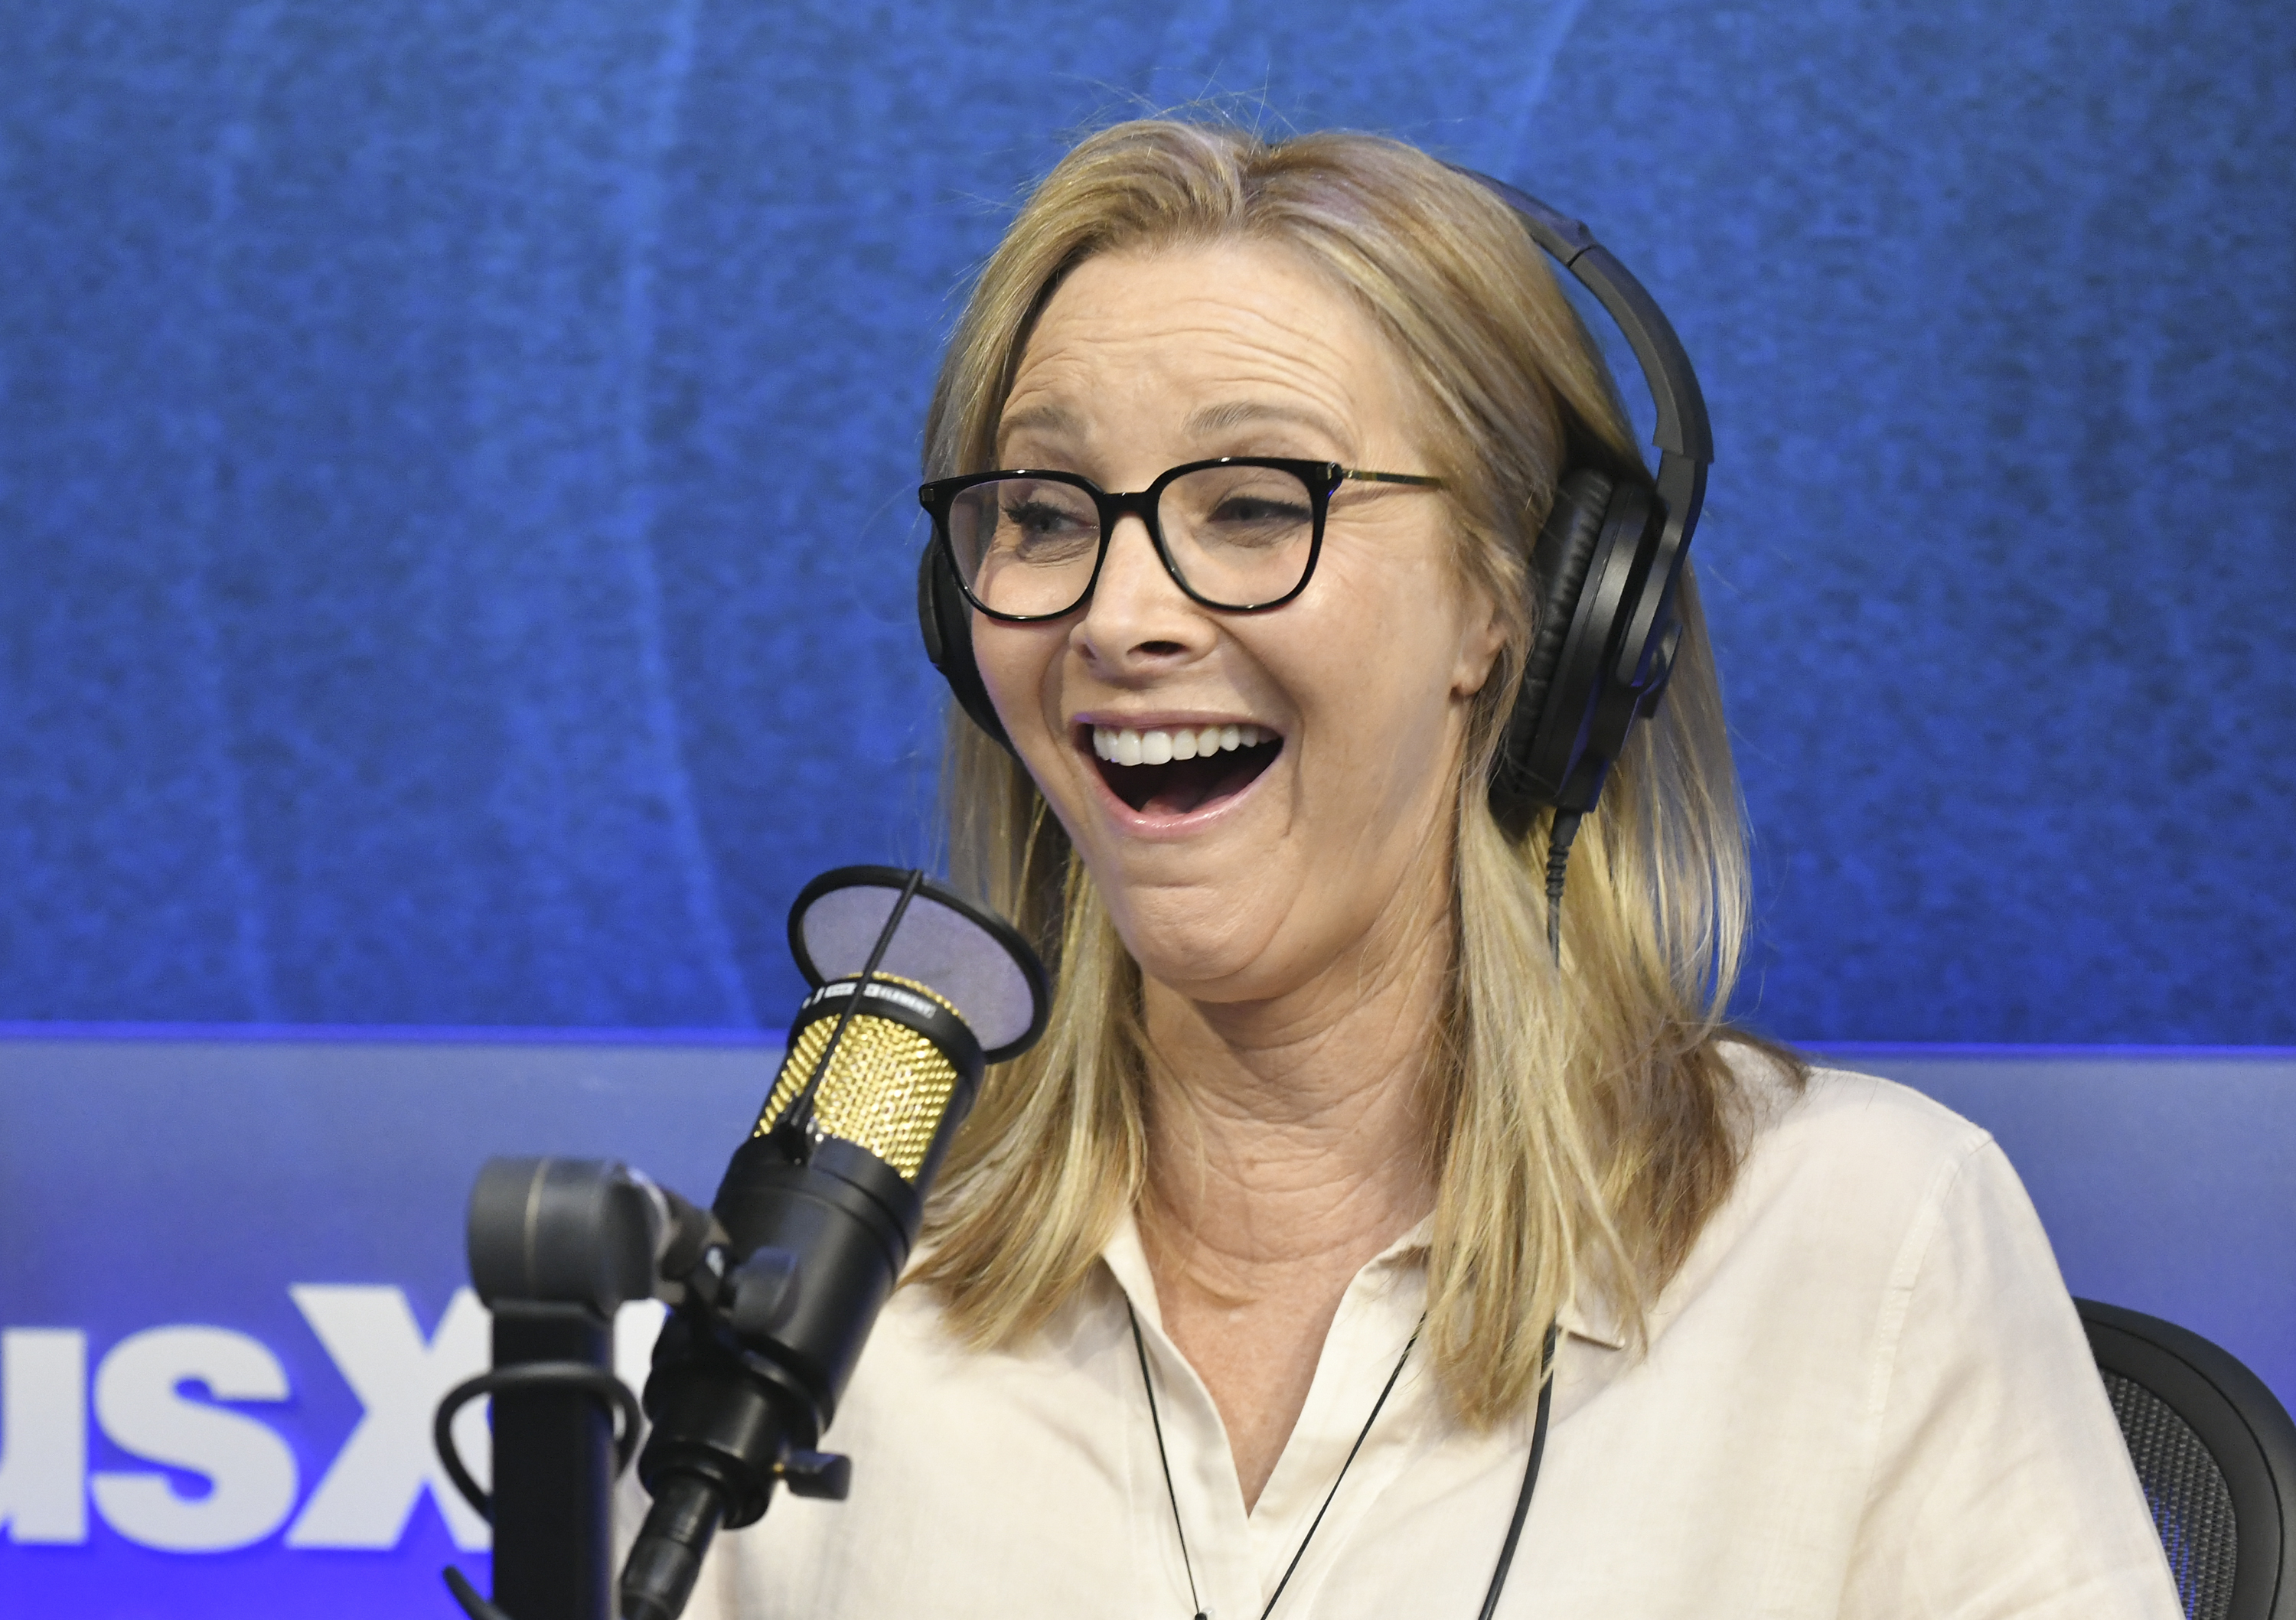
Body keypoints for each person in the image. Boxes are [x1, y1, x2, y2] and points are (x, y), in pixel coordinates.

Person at [673, 119, 2179, 1618]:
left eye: (1255, 505)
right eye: (1048, 518)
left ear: (1527, 607)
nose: (1120, 616)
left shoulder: (1864, 1242)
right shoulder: (797, 1330)